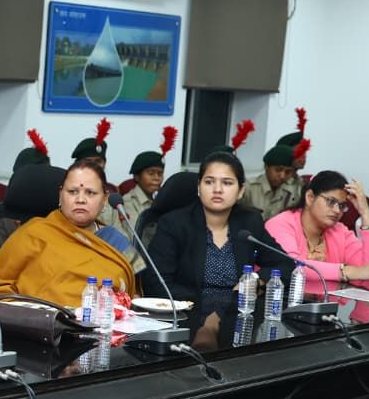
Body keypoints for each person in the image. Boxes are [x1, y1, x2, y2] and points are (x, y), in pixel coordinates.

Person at [144, 151, 295, 303]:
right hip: (187, 310)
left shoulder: (249, 222)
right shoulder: (174, 223)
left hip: (237, 312)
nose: (217, 189)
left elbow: (286, 264)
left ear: (241, 191)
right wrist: (212, 303)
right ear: (199, 187)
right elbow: (155, 283)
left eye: (227, 183)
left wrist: (257, 281)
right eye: (209, 182)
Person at [0, 159, 138, 305]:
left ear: (104, 199)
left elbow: (138, 293)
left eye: (90, 193)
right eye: (72, 192)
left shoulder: (117, 240)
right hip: (42, 319)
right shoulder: (33, 233)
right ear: (60, 195)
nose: (80, 199)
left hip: (107, 320)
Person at [263, 170, 369, 294]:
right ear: (310, 197)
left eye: (342, 206)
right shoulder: (280, 224)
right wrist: (346, 271)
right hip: (277, 301)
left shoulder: (339, 231)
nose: (337, 210)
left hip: (325, 305)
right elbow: (290, 265)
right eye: (331, 201)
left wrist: (365, 212)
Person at [70, 117, 142, 270]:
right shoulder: (69, 193)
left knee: (137, 266)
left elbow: (121, 234)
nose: (95, 165)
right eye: (89, 161)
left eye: (99, 161)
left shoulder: (111, 196)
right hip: (78, 257)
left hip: (111, 257)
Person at [122, 125, 176, 223]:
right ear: (137, 176)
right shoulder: (127, 202)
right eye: (151, 173)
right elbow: (135, 230)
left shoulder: (163, 200)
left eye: (160, 174)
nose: (156, 178)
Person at [240, 144, 299, 222]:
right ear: (266, 167)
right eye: (278, 170)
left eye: (288, 172)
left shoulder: (292, 191)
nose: (282, 176)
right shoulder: (248, 187)